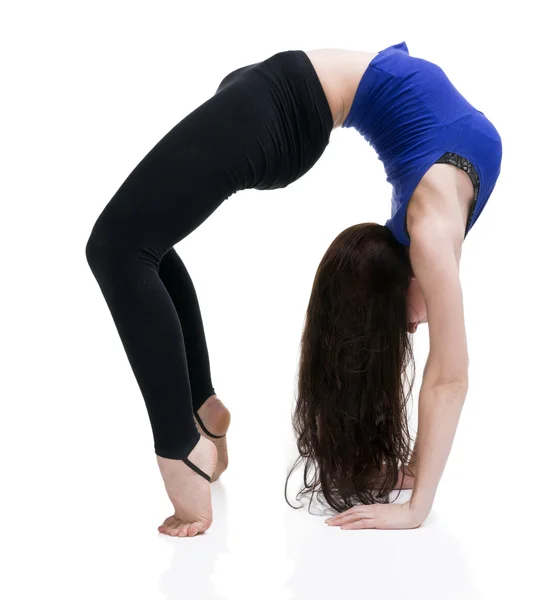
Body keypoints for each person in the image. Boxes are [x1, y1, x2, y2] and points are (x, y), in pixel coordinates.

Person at [85, 41, 502, 537]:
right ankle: (199, 412)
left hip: (281, 103)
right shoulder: (432, 232)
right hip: (282, 98)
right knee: (137, 242)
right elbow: (449, 374)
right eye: (406, 322)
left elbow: (448, 378)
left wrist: (416, 494)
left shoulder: (431, 227)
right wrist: (414, 486)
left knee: (120, 245)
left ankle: (182, 447)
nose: (418, 322)